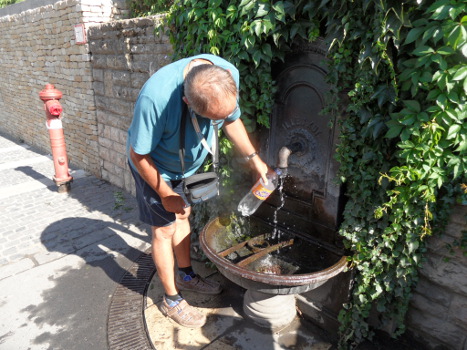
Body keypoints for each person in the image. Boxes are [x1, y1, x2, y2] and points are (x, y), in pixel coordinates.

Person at [126, 54, 271, 328]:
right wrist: (165, 193)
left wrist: (255, 160)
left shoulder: (225, 74)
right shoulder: (155, 99)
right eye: (212, 119)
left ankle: (186, 275)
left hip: (184, 167)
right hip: (155, 168)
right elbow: (138, 155)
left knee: (184, 216)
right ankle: (171, 300)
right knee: (164, 229)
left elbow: (232, 120)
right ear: (188, 104)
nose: (221, 120)